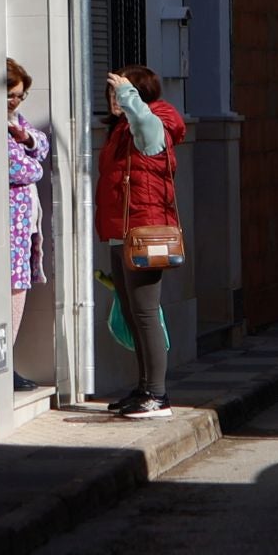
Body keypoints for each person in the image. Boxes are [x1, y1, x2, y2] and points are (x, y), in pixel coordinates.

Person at [96, 65, 186, 419]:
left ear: (139, 94)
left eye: (120, 93)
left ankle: (158, 395)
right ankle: (144, 387)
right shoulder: (121, 128)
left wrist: (128, 96)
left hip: (146, 231)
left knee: (147, 314)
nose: (114, 101)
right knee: (133, 313)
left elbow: (148, 136)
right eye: (112, 94)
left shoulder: (158, 120)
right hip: (123, 231)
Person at [6, 58, 49, 392]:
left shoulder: (15, 123)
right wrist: (31, 157)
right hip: (6, 225)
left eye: (21, 95)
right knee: (11, 288)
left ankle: (8, 363)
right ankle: (3, 365)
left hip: (23, 227)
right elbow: (25, 170)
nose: (16, 102)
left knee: (19, 287)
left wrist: (27, 139)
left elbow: (42, 145)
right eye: (11, 95)